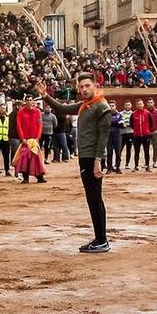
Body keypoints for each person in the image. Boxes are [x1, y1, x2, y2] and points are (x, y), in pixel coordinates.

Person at [47, 75, 112, 252]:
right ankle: (100, 238)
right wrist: (45, 95)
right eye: (81, 87)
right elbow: (61, 108)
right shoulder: (85, 105)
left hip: (93, 157)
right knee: (93, 198)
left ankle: (102, 240)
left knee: (95, 198)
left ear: (95, 86)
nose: (84, 89)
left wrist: (98, 160)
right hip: (86, 156)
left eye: (87, 86)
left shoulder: (101, 106)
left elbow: (104, 135)